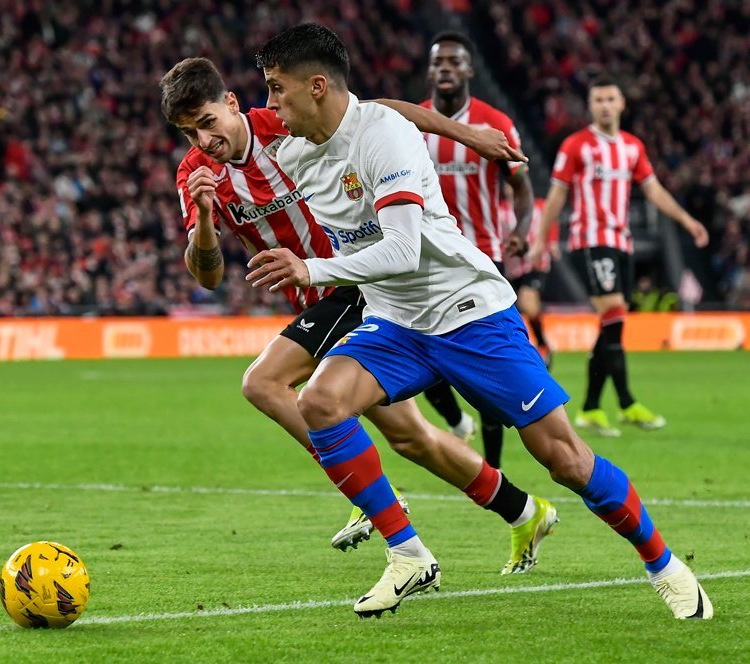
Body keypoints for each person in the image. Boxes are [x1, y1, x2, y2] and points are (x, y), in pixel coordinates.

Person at [250, 22, 712, 621]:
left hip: (470, 313)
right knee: (320, 401)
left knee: (565, 459)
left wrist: (309, 269)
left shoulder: (385, 138)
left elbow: (402, 251)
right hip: (397, 322)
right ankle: (408, 553)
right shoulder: (292, 144)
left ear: (316, 86)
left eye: (275, 89)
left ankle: (665, 566)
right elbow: (259, 126)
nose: (270, 105)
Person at [159, 57, 557, 575]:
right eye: (190, 133)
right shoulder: (195, 175)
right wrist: (207, 221)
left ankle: (367, 495)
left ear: (231, 103)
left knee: (263, 382)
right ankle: (525, 511)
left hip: (354, 279)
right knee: (411, 437)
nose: (203, 140)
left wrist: (465, 135)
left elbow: (378, 113)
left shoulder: (283, 122)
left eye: (208, 122)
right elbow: (206, 275)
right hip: (318, 299)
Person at [528, 76, 710, 437]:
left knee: (611, 323)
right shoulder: (576, 146)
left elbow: (654, 190)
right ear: (591, 106)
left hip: (621, 242)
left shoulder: (631, 147)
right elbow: (557, 195)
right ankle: (626, 402)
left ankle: (592, 408)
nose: (605, 106)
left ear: (622, 103)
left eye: (611, 98)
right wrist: (539, 240)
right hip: (590, 240)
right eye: (598, 100)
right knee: (612, 313)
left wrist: (687, 221)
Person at [413, 30, 536, 470]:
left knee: (486, 362)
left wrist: (521, 227)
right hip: (423, 257)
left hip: (482, 254)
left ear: (468, 69)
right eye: (437, 61)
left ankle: (494, 466)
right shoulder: (412, 123)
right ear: (429, 72)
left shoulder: (494, 123)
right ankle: (453, 420)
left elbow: (521, 186)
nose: (445, 68)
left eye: (453, 61)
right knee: (417, 350)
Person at [502, 193, 558, 368]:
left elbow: (551, 219)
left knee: (528, 303)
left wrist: (552, 242)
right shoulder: (501, 209)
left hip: (535, 264)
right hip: (511, 268)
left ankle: (542, 344)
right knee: (515, 309)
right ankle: (528, 347)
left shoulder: (539, 205)